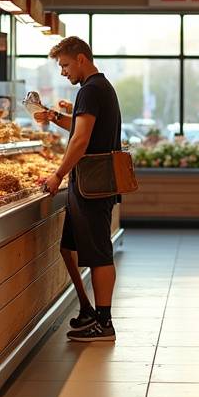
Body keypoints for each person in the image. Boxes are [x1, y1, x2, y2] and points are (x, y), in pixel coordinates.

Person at [36, 36, 122, 342]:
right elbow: (80, 130)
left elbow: (81, 140)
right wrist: (54, 116)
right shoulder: (99, 88)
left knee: (99, 255)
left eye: (65, 65)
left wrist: (58, 174)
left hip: (93, 186)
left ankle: (105, 322)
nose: (63, 72)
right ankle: (87, 309)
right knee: (67, 247)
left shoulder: (91, 90)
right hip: (90, 184)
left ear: (81, 59)